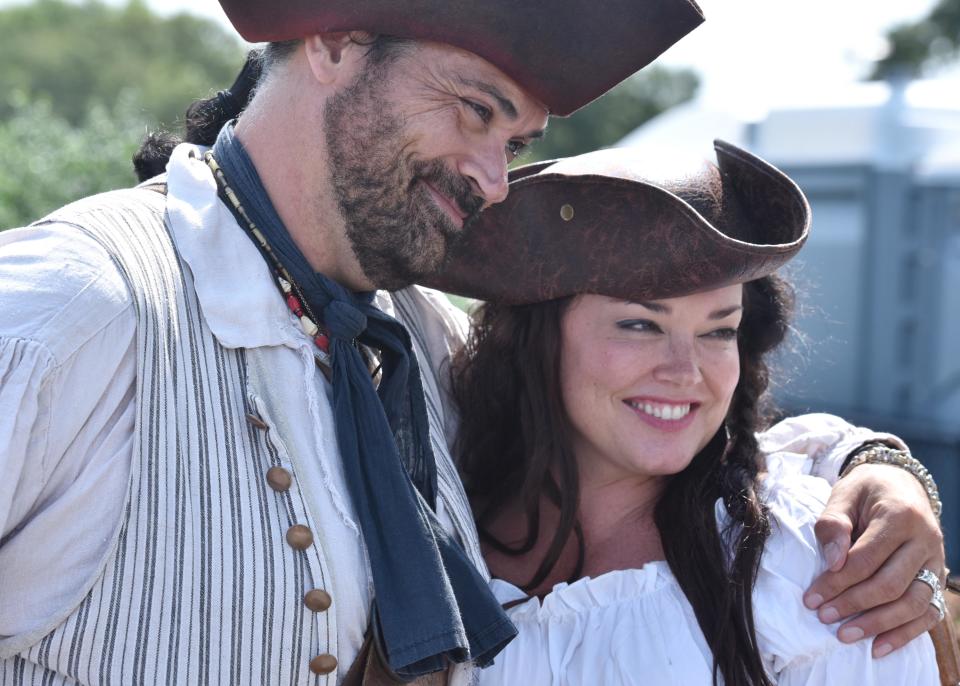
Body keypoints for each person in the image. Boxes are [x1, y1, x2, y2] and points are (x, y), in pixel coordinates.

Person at [0, 1, 943, 684]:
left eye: (519, 138)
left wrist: (879, 466)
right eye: (474, 110)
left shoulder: (411, 336)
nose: (496, 180)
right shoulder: (79, 306)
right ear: (334, 35)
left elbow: (651, 421)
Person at [431, 142, 942, 684]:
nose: (686, 372)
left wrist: (883, 462)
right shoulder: (437, 515)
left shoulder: (809, 568)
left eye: (718, 331)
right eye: (639, 324)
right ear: (537, 338)